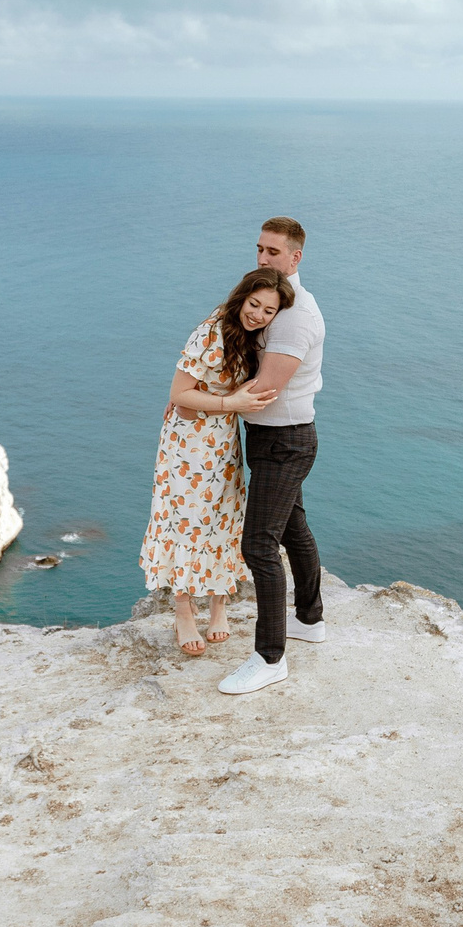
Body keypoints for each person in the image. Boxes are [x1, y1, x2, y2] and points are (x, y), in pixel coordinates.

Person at [140, 268, 291, 654]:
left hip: (222, 442)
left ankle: (219, 604)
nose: (257, 314)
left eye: (268, 310)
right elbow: (179, 391)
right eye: (253, 304)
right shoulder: (209, 332)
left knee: (224, 515)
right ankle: (184, 608)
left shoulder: (257, 335)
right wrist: (230, 403)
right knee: (187, 520)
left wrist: (229, 406)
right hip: (187, 445)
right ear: (241, 297)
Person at [219, 216, 326, 696]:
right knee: (293, 528)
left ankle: (269, 658)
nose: (263, 259)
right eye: (259, 249)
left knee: (258, 546)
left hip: (285, 440)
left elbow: (264, 389)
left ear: (296, 257)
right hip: (273, 438)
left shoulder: (297, 314)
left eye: (274, 252)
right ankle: (310, 618)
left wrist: (196, 397)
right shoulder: (274, 301)